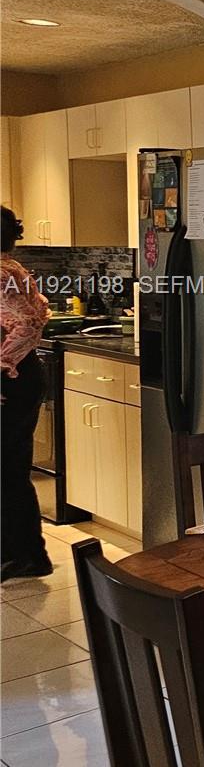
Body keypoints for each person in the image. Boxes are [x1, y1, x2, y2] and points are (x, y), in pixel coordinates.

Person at [2, 205, 52, 580]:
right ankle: (16, 552)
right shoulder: (11, 271)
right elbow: (41, 312)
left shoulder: (4, 273)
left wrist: (1, 368)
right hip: (19, 376)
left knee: (8, 469)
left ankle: (29, 556)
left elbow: (28, 324)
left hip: (13, 380)